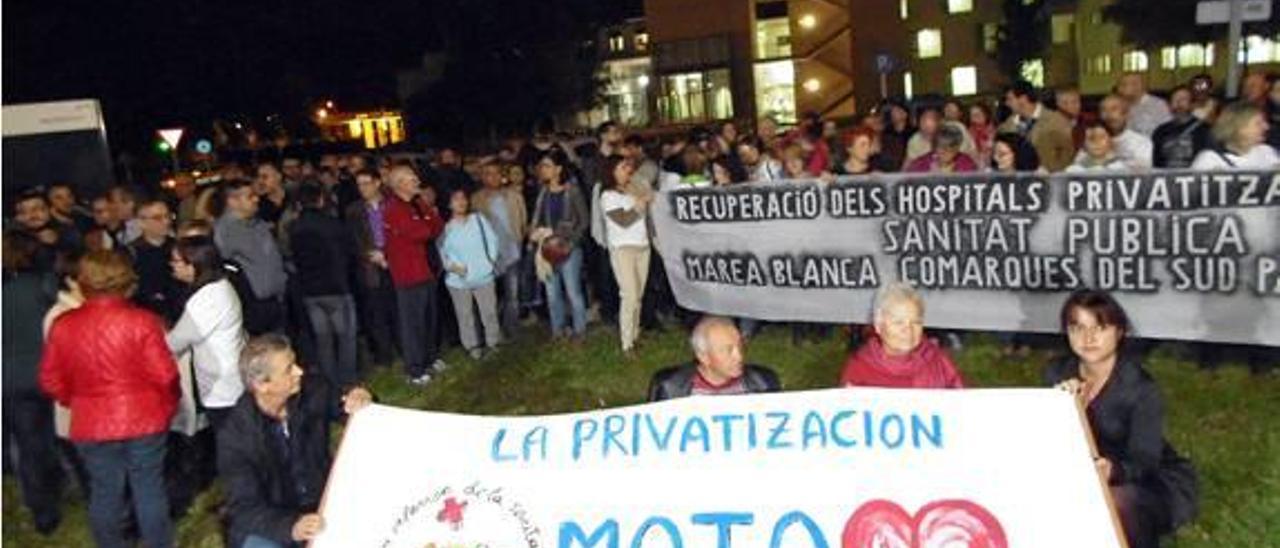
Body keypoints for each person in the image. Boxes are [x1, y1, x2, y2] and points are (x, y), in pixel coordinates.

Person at [39, 250, 180, 548]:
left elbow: (50, 380)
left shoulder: (64, 325)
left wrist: (77, 401)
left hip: (91, 421)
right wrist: (167, 405)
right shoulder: (143, 321)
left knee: (104, 492)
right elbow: (165, 374)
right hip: (144, 417)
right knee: (149, 488)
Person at [1046, 290, 1198, 548]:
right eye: (1077, 328)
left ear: (1118, 332)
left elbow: (1145, 459)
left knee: (1116, 501)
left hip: (1143, 479)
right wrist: (1068, 410)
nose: (1088, 338)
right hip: (1080, 472)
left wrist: (1112, 470)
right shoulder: (1058, 373)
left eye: (1100, 328)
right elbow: (1049, 438)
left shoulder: (1140, 388)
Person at [219, 333, 373, 548]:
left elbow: (346, 407)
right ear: (262, 384)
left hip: (323, 501)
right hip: (275, 518)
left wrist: (358, 399)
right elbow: (244, 507)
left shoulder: (313, 389)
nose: (299, 371)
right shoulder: (236, 437)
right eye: (289, 369)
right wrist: (291, 527)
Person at [2, 232, 63, 534]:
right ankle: (50, 503)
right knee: (40, 441)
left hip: (7, 378)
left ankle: (34, 509)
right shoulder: (43, 284)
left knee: (22, 446)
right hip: (40, 374)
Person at [167, 236, 246, 429]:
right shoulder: (221, 287)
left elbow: (175, 342)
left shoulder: (207, 298)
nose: (172, 265)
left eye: (176, 261)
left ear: (193, 265)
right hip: (229, 378)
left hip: (222, 386)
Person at [288, 183, 359, 389]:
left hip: (310, 291)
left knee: (323, 341)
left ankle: (330, 383)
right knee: (346, 338)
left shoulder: (295, 227)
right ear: (320, 199)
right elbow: (349, 252)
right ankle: (348, 382)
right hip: (336, 288)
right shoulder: (332, 224)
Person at [383, 164, 448, 385]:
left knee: (430, 318)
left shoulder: (419, 203)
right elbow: (418, 233)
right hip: (410, 275)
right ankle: (415, 369)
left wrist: (427, 221)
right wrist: (427, 222)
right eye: (411, 178)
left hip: (428, 271)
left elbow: (437, 227)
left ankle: (429, 358)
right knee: (413, 323)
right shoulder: (394, 209)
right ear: (399, 184)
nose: (416, 181)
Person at [839, 282, 964, 389]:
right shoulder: (860, 368)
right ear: (878, 325)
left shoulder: (938, 362)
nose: (908, 330)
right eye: (899, 322)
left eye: (916, 322)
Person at [529, 150, 591, 341]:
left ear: (558, 169)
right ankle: (558, 330)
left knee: (573, 292)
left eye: (547, 166)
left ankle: (579, 330)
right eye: (542, 166)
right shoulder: (543, 193)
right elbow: (536, 220)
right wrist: (536, 233)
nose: (543, 169)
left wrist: (571, 242)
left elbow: (584, 221)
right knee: (552, 293)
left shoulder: (572, 191)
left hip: (569, 248)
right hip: (547, 249)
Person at [214, 179, 288, 335]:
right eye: (250, 196)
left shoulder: (257, 224)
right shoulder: (226, 231)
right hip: (253, 307)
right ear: (233, 201)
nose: (256, 199)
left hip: (275, 301)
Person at [647, 316, 781, 401]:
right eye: (727, 350)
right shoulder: (670, 387)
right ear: (703, 357)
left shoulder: (764, 383)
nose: (739, 356)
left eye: (740, 346)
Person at [439, 189, 504, 360]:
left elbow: (493, 241)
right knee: (465, 315)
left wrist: (489, 262)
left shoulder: (478, 220)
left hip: (484, 276)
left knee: (489, 312)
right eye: (456, 199)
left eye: (463, 198)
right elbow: (442, 254)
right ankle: (472, 346)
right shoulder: (445, 228)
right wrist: (453, 267)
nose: (461, 202)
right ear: (449, 204)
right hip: (458, 280)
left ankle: (493, 342)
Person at [345, 168, 399, 368]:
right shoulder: (354, 211)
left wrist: (389, 255)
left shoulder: (392, 204)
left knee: (398, 309)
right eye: (359, 184)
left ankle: (403, 346)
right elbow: (354, 242)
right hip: (370, 267)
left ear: (377, 183)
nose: (362, 188)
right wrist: (371, 255)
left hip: (394, 262)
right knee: (377, 312)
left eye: (366, 183)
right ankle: (384, 356)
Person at [600, 156, 653, 355]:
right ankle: (626, 343)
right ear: (612, 171)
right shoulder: (608, 196)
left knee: (638, 295)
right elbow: (623, 220)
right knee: (629, 295)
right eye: (622, 167)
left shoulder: (632, 189)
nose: (627, 170)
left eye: (628, 166)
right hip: (623, 249)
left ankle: (635, 335)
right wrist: (640, 204)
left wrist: (640, 195)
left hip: (642, 246)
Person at [472, 161, 528, 336]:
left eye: (496, 173)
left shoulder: (514, 196)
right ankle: (492, 330)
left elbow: (523, 220)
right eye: (488, 173)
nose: (493, 177)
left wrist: (520, 238)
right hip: (488, 255)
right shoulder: (476, 199)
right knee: (490, 296)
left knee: (513, 294)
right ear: (482, 177)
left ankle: (511, 327)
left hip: (512, 251)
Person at [1001, 80, 1076, 172]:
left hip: (1050, 180)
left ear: (1023, 99)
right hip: (1017, 180)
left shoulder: (1055, 121)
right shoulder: (1007, 126)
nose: (1007, 103)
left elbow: (1068, 152)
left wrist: (1054, 171)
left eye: (1010, 99)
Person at [129, 198, 182, 322]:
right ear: (141, 223)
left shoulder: (179, 246)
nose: (166, 222)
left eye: (168, 216)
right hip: (147, 317)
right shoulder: (130, 253)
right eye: (157, 218)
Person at [1191, 101, 1279, 169]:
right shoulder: (1209, 160)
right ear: (1239, 128)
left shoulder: (1267, 153)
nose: (1266, 127)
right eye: (1258, 123)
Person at [11, 188, 82, 270]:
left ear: (50, 210)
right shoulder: (11, 238)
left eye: (38, 208)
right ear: (17, 217)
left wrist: (58, 242)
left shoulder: (69, 232)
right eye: (24, 211)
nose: (32, 214)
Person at [1152, 86, 1212, 168]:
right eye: (1175, 100)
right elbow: (1156, 163)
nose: (1179, 103)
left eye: (1183, 99)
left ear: (1192, 104)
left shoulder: (1205, 130)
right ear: (1169, 105)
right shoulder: (1160, 131)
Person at [1094, 94, 1154, 169]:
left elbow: (1145, 168)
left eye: (1114, 109)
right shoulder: (1091, 141)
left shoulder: (1141, 143)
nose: (1108, 114)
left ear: (1126, 114)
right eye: (1104, 110)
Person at [905, 124, 979, 173]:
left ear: (957, 148)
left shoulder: (967, 164)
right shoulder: (920, 164)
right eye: (940, 147)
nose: (943, 152)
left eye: (949, 148)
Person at [254, 162, 290, 228]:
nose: (260, 181)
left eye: (265, 177)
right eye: (258, 177)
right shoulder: (256, 204)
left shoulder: (293, 197)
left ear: (279, 177)